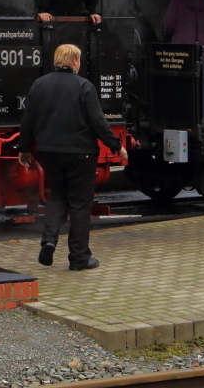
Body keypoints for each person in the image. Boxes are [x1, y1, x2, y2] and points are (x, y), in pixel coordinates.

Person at [17, 44, 128, 271]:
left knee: (58, 196)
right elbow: (98, 122)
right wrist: (116, 146)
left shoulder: (40, 84)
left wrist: (24, 148)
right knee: (79, 203)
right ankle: (79, 259)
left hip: (48, 151)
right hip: (80, 153)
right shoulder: (84, 86)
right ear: (75, 62)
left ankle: (48, 240)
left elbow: (28, 120)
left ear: (57, 60)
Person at [163, 0, 204, 118]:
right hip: (203, 50)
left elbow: (168, 25)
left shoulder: (176, 1)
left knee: (182, 84)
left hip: (182, 50)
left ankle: (185, 116)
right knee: (202, 83)